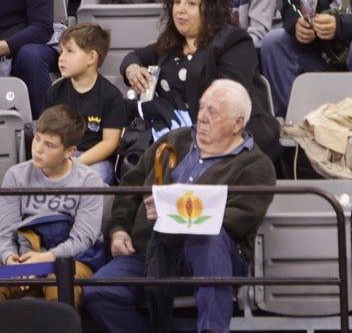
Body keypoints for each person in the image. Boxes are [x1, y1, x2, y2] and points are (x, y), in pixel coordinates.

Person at [85, 84, 275, 333]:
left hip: (212, 256)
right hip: (150, 249)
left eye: (213, 112)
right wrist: (119, 229)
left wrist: (174, 212)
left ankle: (212, 330)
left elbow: (237, 218)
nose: (202, 116)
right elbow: (130, 187)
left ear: (237, 123)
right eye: (202, 107)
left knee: (210, 235)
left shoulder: (255, 165)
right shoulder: (175, 139)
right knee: (98, 292)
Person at [119, 0, 280, 160]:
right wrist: (133, 70)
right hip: (177, 137)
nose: (180, 9)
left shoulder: (233, 42)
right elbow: (133, 57)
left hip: (228, 137)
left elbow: (226, 98)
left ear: (210, 9)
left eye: (191, 3)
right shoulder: (171, 43)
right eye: (177, 2)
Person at [0, 106, 102, 306]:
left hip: (68, 260)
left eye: (49, 145)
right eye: (36, 139)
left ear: (70, 151)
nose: (38, 149)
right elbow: (5, 231)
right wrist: (10, 260)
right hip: (22, 257)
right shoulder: (16, 175)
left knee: (59, 283)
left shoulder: (89, 181)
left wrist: (45, 258)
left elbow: (83, 239)